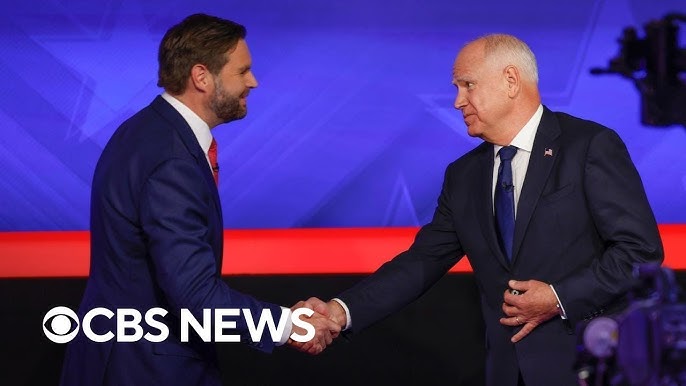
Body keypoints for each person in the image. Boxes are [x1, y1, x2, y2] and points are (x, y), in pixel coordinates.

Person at [304, 34, 664, 385]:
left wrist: (558, 298)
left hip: (588, 364)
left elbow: (640, 252)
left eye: (467, 85)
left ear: (510, 80)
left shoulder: (588, 147)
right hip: (506, 371)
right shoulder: (463, 175)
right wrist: (340, 311)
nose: (458, 101)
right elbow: (421, 263)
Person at [59, 14, 339, 386]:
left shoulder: (146, 130)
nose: (253, 82)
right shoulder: (172, 158)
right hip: (146, 368)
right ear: (202, 76)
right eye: (243, 71)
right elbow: (194, 293)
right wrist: (289, 325)